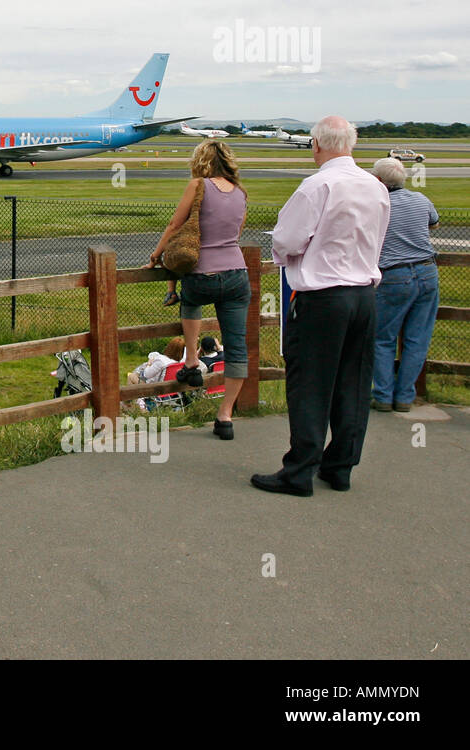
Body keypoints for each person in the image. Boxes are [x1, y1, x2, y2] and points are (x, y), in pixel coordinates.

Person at [253, 116, 390, 495]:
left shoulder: (317, 185)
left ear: (316, 145)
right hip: (364, 294)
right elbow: (377, 241)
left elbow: (287, 240)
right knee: (354, 381)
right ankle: (340, 465)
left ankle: (299, 471)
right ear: (352, 144)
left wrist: (293, 259)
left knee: (312, 384)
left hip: (323, 296)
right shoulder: (375, 187)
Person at [148, 139, 250, 441]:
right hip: (236, 273)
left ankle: (191, 359)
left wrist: (156, 255)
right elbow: (236, 232)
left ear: (201, 160)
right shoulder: (241, 192)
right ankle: (226, 415)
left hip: (202, 272)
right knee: (237, 347)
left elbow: (174, 225)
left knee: (190, 302)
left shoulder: (198, 185)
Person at [370, 158, 440, 413]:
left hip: (394, 275)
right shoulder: (421, 199)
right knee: (417, 338)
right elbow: (434, 223)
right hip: (427, 270)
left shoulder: (377, 205)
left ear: (378, 180)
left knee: (382, 338)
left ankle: (383, 395)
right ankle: (405, 397)